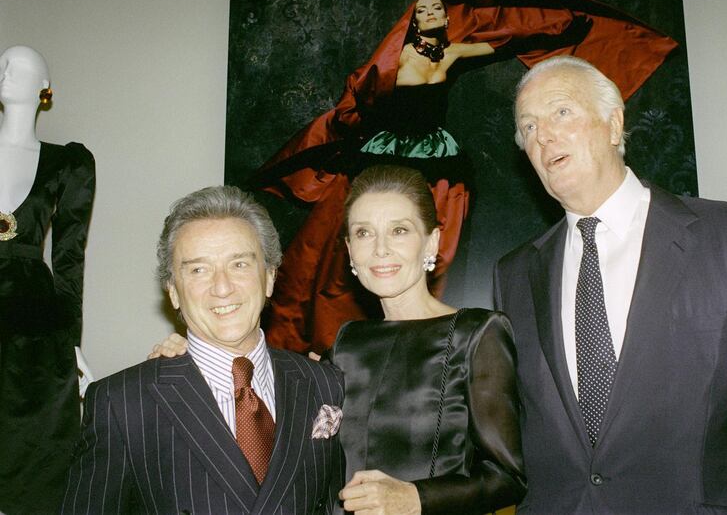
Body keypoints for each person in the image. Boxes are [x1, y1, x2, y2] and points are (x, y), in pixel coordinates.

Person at [250, 0, 679, 354]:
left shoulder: (452, 51)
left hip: (434, 155)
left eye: (438, 8)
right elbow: (367, 88)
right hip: (387, 150)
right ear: (413, 21)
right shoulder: (396, 57)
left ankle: (424, 339)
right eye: (424, 10)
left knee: (437, 232)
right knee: (346, 240)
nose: (433, 14)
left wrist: (563, 27)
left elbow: (504, 41)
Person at [496, 55, 727, 512]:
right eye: (529, 127)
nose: (544, 136)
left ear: (615, 125)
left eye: (561, 112)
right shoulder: (514, 274)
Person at [153, 166, 526, 514]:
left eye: (399, 230)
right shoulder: (348, 342)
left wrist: (415, 498)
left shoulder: (478, 332)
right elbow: (273, 399)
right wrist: (198, 358)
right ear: (350, 251)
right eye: (364, 232)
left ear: (431, 243)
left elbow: (508, 477)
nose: (380, 249)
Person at [62, 186, 344, 514]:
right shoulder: (122, 404)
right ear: (173, 293)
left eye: (239, 264)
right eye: (199, 270)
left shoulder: (324, 384)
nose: (222, 287)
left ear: (269, 278)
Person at [0, 45, 95, 515]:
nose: (5, 72)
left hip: (32, 325)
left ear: (45, 88)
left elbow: (69, 259)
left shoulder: (67, 164)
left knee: (29, 447)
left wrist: (72, 342)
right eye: (3, 64)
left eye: (19, 68)